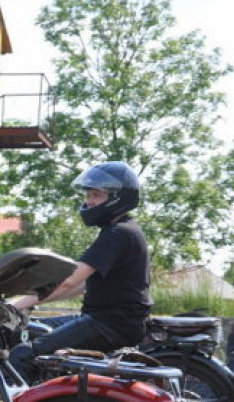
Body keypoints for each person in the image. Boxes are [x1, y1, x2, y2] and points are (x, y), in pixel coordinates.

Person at [8, 161, 150, 382]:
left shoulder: (117, 234)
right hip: (114, 322)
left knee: (23, 355)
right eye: (88, 195)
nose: (89, 202)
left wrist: (15, 304)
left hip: (108, 324)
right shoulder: (123, 230)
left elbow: (68, 281)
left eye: (96, 196)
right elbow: (82, 286)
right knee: (38, 330)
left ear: (116, 198)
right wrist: (32, 303)